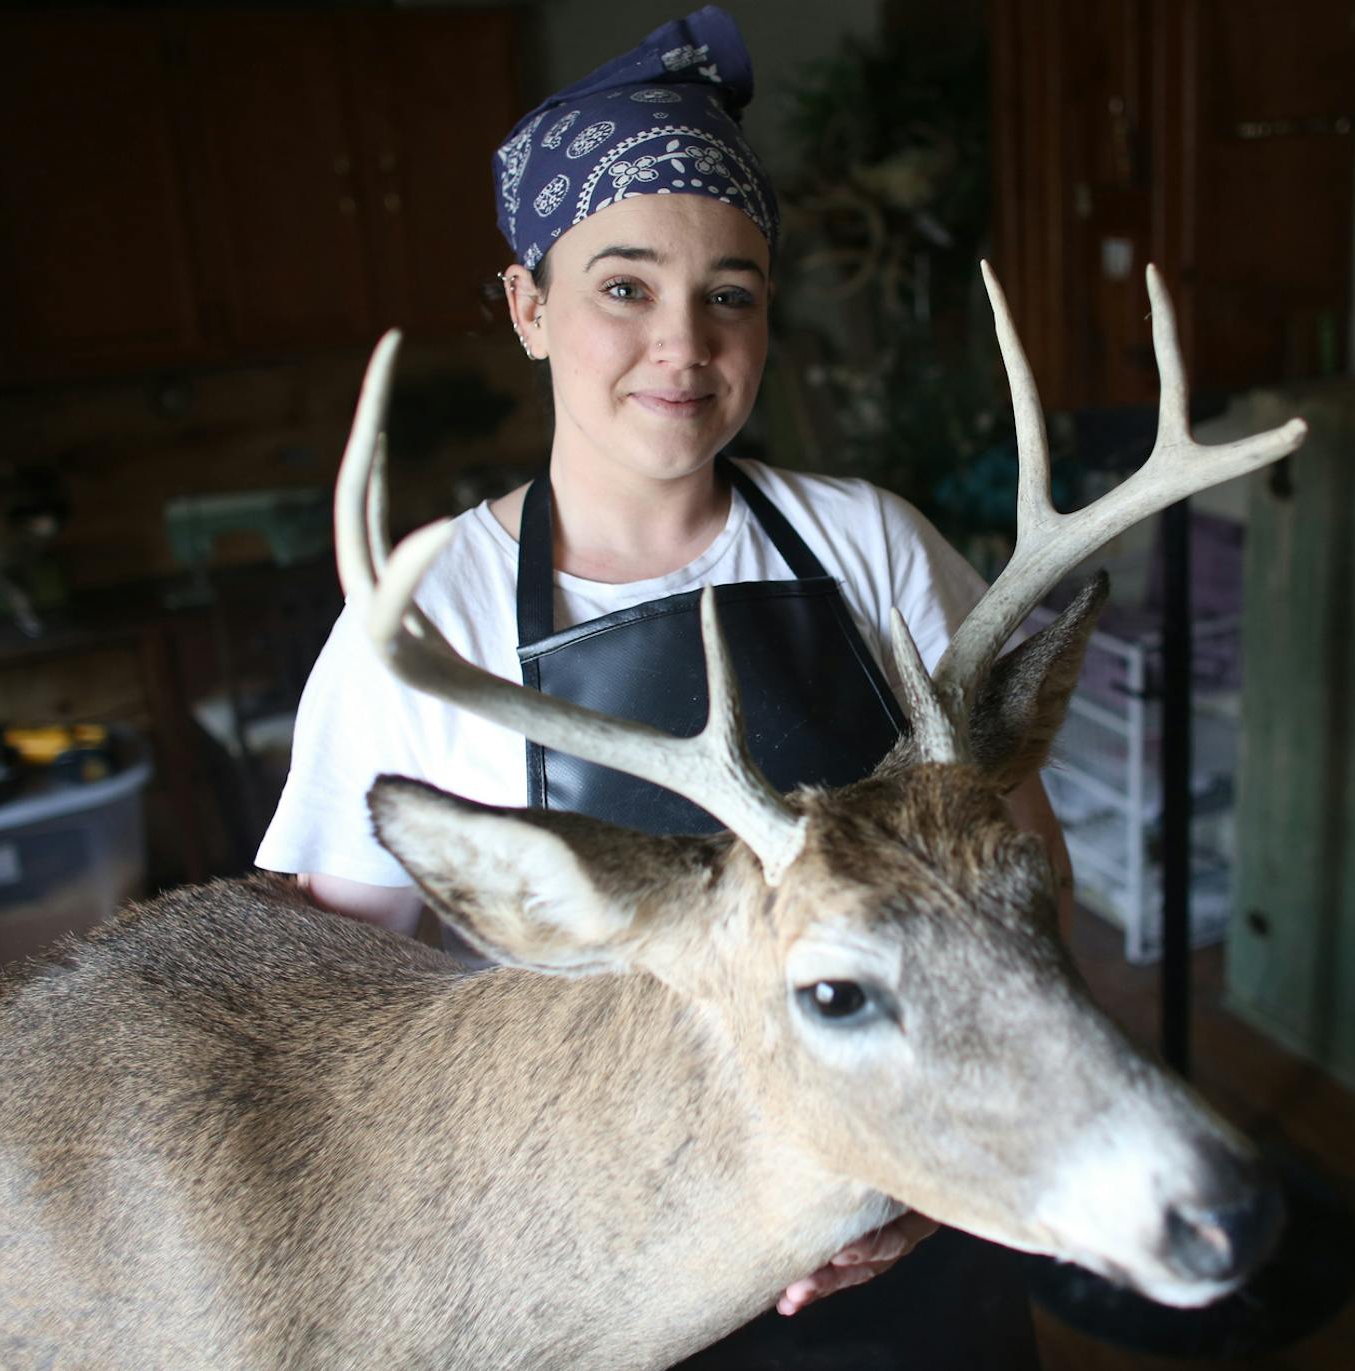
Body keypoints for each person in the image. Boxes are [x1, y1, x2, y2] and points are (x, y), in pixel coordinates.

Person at [258, 8, 1056, 1365]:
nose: (685, 345)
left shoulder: (868, 541)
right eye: (624, 287)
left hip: (898, 1205)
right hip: (588, 1267)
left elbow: (1010, 860)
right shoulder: (427, 609)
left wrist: (950, 1164)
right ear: (528, 305)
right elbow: (335, 985)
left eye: (730, 294)